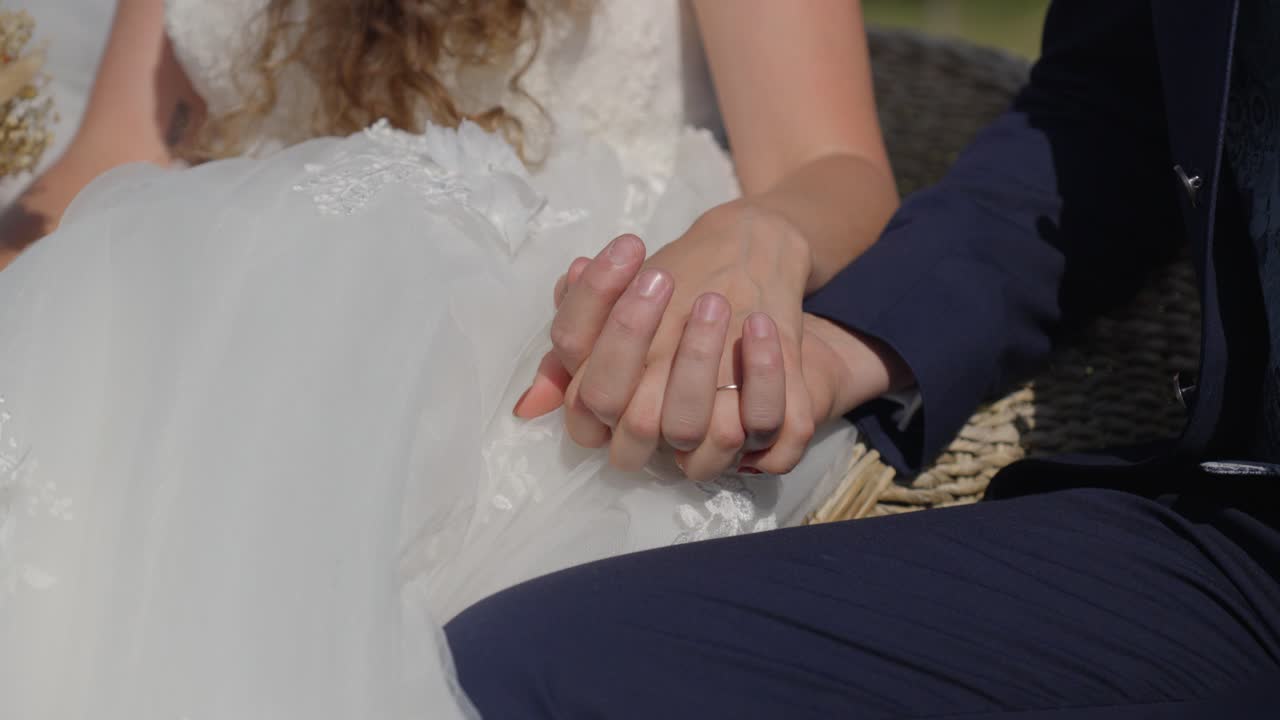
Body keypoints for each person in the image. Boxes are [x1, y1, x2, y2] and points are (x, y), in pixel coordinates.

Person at [0, 0, 900, 716]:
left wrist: (757, 238)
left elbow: (830, 164)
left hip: (544, 322)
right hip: (234, 304)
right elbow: (112, 157)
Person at [443, 0, 1280, 717]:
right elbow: (1110, 117)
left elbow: (828, 159)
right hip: (1231, 553)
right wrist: (846, 343)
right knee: (510, 673)